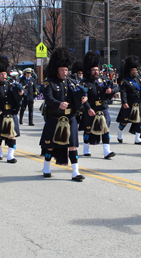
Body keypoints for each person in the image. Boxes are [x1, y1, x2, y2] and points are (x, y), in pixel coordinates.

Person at [40, 47, 87, 181]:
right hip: (55, 117)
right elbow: (48, 98)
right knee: (50, 146)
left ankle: (75, 172)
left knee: (72, 145)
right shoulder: (50, 83)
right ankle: (46, 168)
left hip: (70, 117)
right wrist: (58, 104)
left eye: (66, 70)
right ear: (57, 70)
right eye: (62, 70)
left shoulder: (71, 83)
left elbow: (77, 96)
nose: (65, 72)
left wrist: (83, 99)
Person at [80, 50, 119, 158]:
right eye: (93, 70)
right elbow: (83, 97)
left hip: (103, 108)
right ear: (89, 71)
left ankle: (107, 151)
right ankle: (86, 149)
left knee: (105, 129)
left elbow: (116, 87)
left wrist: (111, 91)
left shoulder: (104, 80)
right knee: (88, 130)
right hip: (91, 109)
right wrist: (88, 109)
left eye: (97, 69)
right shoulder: (85, 82)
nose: (96, 72)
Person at [0, 55, 23, 163]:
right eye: (1, 74)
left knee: (12, 135)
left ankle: (10, 156)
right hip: (0, 113)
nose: (4, 75)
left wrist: (20, 93)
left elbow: (17, 98)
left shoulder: (11, 85)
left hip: (10, 113)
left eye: (5, 73)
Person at [116, 56, 141, 145]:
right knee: (124, 121)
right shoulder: (125, 81)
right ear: (129, 70)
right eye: (133, 70)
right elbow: (123, 92)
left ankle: (137, 139)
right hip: (129, 103)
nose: (134, 71)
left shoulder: (139, 79)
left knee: (139, 120)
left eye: (135, 70)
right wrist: (124, 102)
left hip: (138, 102)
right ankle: (119, 132)